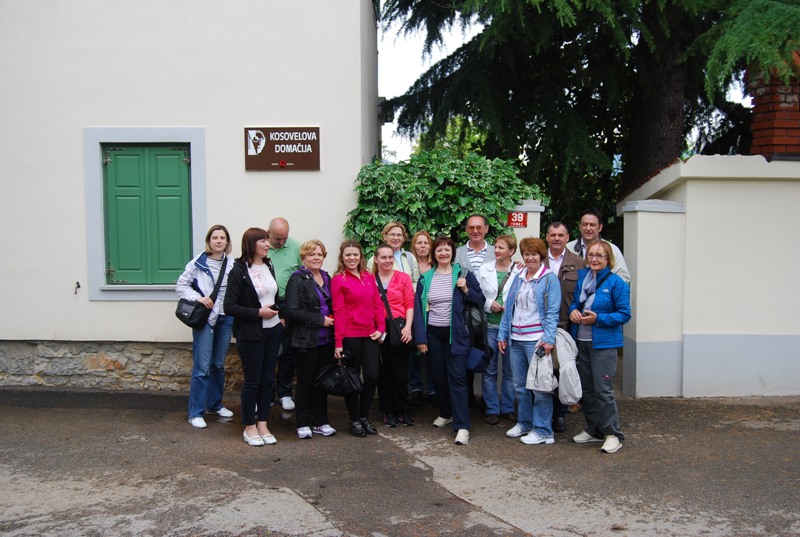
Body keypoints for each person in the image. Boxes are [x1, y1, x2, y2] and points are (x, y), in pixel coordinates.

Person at [414, 236, 485, 445]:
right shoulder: (425, 278)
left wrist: (466, 289)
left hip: (458, 337)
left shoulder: (464, 274)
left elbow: (480, 300)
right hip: (433, 335)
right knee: (438, 377)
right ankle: (446, 413)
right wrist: (421, 338)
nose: (443, 253)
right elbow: (418, 309)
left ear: (452, 253)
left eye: (447, 249)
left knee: (458, 379)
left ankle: (462, 425)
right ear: (434, 254)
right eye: (439, 250)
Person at [569, 240, 631, 454]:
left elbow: (624, 314)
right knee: (586, 389)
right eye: (591, 255)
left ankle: (613, 434)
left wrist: (599, 319)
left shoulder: (616, 282)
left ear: (608, 259)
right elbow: (576, 303)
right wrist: (573, 311)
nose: (594, 259)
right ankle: (593, 429)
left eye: (599, 255)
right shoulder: (583, 277)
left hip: (604, 344)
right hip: (582, 341)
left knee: (603, 390)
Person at [497, 238, 561, 446]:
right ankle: (525, 423)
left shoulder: (549, 279)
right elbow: (509, 307)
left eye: (534, 254)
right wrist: (503, 334)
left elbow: (552, 312)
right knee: (520, 386)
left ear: (541, 256)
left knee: (541, 387)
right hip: (516, 339)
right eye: (526, 254)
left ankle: (543, 430)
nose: (530, 257)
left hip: (537, 341)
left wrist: (548, 339)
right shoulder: (519, 277)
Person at [224, 227, 284, 447]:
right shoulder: (238, 271)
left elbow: (274, 296)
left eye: (267, 240)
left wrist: (280, 316)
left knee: (268, 379)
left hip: (273, 331)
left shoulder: (269, 265)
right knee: (253, 380)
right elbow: (229, 306)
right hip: (251, 333)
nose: (268, 244)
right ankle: (249, 427)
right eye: (263, 241)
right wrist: (258, 313)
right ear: (251, 244)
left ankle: (263, 424)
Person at [176, 225, 235, 429]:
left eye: (222, 238)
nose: (218, 241)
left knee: (218, 364)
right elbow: (181, 286)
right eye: (215, 237)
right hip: (206, 319)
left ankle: (214, 404)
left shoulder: (232, 264)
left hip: (226, 318)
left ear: (227, 242)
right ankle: (195, 412)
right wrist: (198, 298)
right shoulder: (198, 263)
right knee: (202, 367)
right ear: (209, 241)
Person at [282, 239, 337, 439]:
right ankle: (303, 422)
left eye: (319, 254)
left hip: (327, 340)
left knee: (322, 382)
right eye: (311, 254)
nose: (316, 257)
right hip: (305, 340)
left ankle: (320, 422)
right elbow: (291, 311)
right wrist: (320, 320)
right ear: (303, 257)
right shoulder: (296, 279)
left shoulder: (327, 277)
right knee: (306, 382)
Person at [331, 240, 385, 438]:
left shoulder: (369, 277)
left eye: (355, 254)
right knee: (352, 379)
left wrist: (381, 328)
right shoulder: (339, 279)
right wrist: (338, 342)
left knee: (372, 376)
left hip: (370, 335)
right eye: (348, 255)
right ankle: (354, 420)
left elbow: (377, 304)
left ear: (360, 256)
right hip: (350, 336)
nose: (352, 258)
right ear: (342, 257)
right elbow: (339, 311)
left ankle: (364, 416)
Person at [544, 221, 586, 431]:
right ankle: (545, 413)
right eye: (553, 235)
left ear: (567, 238)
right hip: (542, 324)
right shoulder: (538, 260)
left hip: (567, 324)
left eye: (561, 235)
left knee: (562, 370)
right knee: (544, 370)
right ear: (547, 237)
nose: (556, 239)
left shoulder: (578, 262)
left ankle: (560, 415)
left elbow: (585, 293)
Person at [477, 234, 520, 426]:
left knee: (510, 371)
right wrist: (489, 304)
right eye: (495, 247)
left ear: (511, 251)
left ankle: (508, 407)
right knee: (489, 370)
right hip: (490, 326)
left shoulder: (519, 270)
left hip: (511, 328)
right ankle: (492, 409)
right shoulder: (484, 269)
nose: (496, 250)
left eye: (501, 248)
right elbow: (477, 293)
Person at [454, 214, 495, 407]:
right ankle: (468, 400)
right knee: (466, 355)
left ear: (486, 228)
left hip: (491, 313)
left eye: (479, 227)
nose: (475, 231)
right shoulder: (457, 253)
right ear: (466, 230)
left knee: (487, 355)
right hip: (466, 315)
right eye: (471, 227)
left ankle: (489, 403)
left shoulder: (496, 251)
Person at [374, 243, 416, 427]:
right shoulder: (370, 279)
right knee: (383, 373)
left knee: (400, 374)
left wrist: (408, 327)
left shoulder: (403, 278)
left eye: (390, 257)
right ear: (376, 259)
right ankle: (388, 410)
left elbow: (409, 304)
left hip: (399, 329)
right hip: (378, 330)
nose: (388, 260)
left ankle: (402, 408)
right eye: (383, 257)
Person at [267, 217, 302, 412]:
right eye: (277, 238)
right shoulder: (262, 246)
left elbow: (302, 273)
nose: (281, 242)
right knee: (269, 350)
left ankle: (285, 392)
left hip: (289, 303)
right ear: (268, 233)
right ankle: (267, 393)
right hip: (266, 304)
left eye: (284, 238)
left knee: (288, 349)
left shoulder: (296, 246)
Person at [407, 230, 436, 407]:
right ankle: (416, 388)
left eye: (426, 243)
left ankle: (433, 389)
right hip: (413, 313)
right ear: (414, 246)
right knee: (414, 354)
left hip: (433, 314)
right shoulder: (408, 264)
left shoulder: (437, 264)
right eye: (419, 243)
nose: (423, 246)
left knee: (433, 353)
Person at [567, 209, 630, 284]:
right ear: (580, 227)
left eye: (592, 225)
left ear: (600, 227)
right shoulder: (568, 248)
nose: (588, 228)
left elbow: (624, 277)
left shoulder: (612, 249)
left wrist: (604, 286)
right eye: (585, 224)